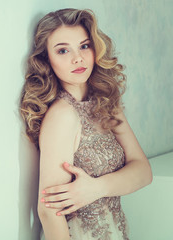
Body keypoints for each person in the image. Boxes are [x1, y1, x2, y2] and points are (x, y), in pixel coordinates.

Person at [19, 8, 153, 240]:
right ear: (46, 59)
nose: (77, 58)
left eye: (84, 45)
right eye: (63, 50)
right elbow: (49, 211)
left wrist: (95, 188)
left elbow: (143, 171)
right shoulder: (63, 116)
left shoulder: (105, 102)